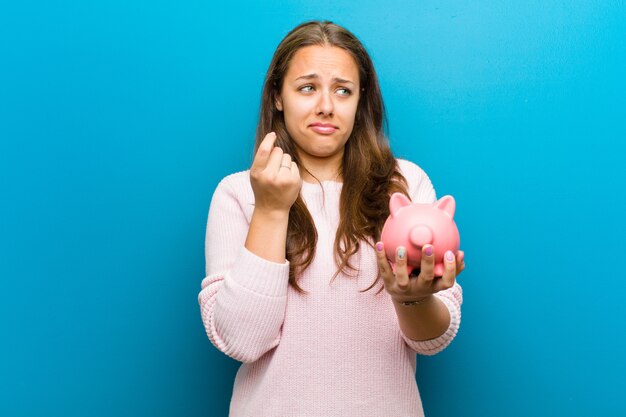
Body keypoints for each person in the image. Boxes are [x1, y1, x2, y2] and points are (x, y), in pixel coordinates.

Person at [198, 20, 465, 417]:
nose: (326, 105)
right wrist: (271, 209)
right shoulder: (237, 193)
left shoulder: (405, 183)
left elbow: (433, 339)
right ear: (277, 96)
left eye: (343, 90)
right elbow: (242, 341)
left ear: (360, 102)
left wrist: (412, 299)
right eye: (307, 87)